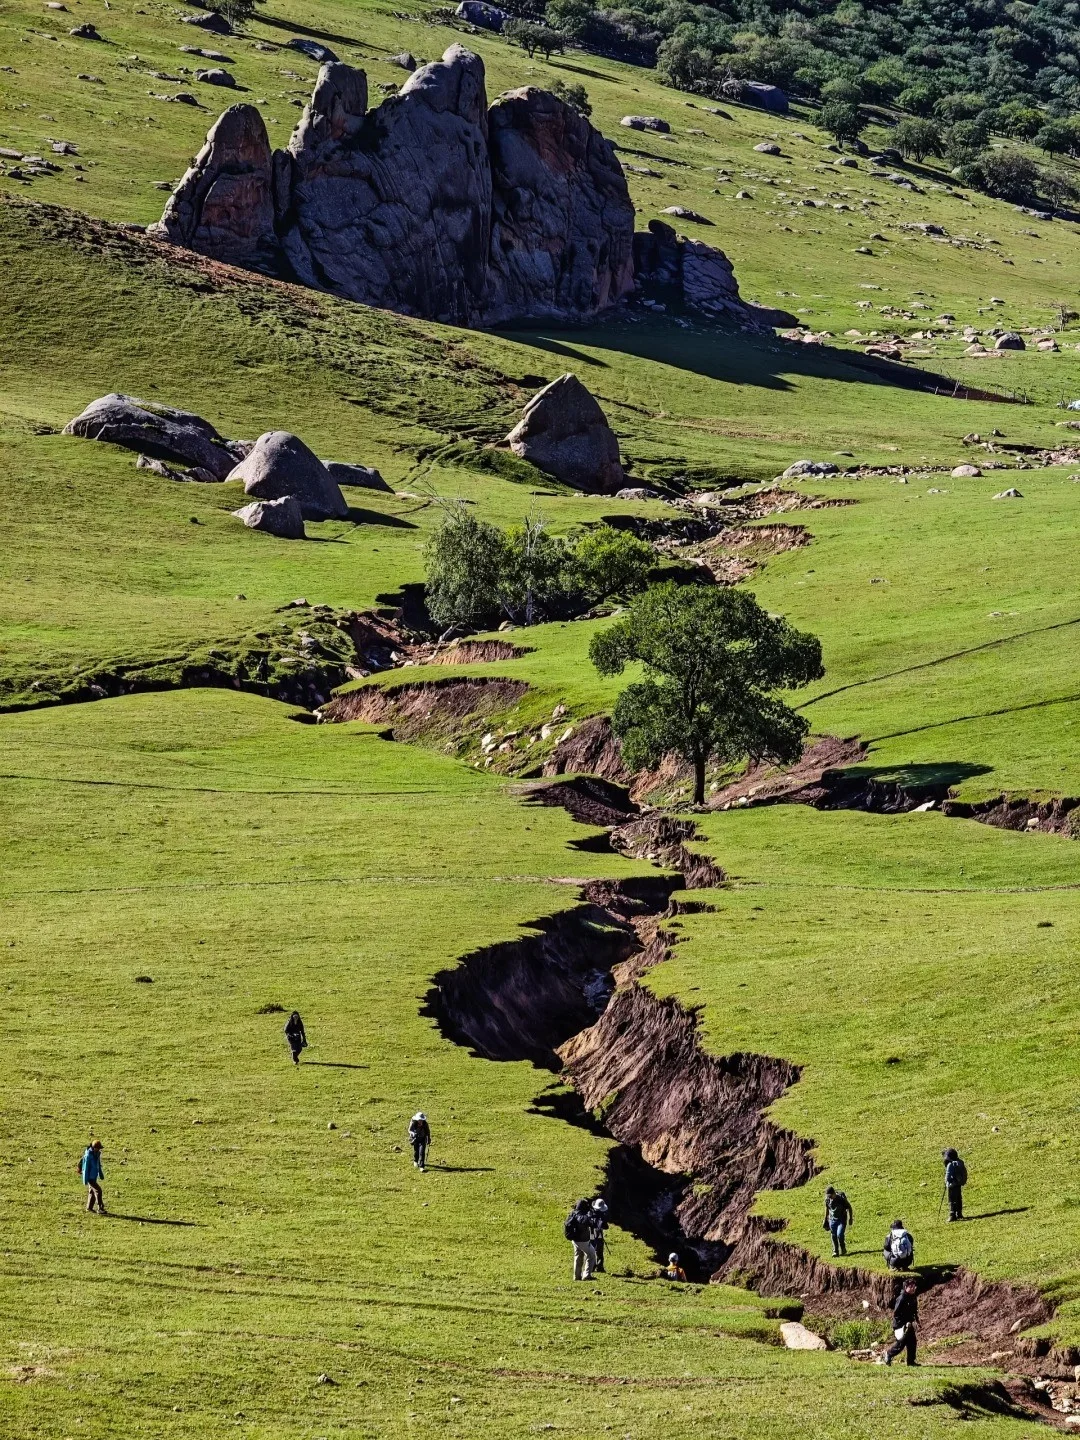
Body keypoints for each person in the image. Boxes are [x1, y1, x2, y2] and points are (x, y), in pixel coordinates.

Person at [884, 1278, 919, 1366]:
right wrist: (904, 1323)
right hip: (900, 1325)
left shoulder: (913, 1297)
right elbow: (896, 1313)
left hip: (909, 1324)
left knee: (912, 1342)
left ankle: (911, 1362)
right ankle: (888, 1354)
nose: (913, 1288)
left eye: (914, 1286)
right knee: (901, 1344)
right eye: (910, 1286)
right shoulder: (902, 1298)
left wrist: (916, 1321)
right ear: (905, 1287)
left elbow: (914, 1311)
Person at [564, 1199, 596, 1280]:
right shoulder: (583, 1217)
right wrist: (590, 1216)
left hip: (574, 1239)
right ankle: (587, 1275)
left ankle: (576, 1276)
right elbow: (590, 1223)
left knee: (578, 1256)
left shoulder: (573, 1213)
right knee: (591, 1255)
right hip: (582, 1240)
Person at [822, 1185, 854, 1257]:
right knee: (833, 1235)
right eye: (828, 1196)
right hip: (832, 1220)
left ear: (834, 1194)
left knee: (839, 1234)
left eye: (830, 1196)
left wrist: (850, 1218)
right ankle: (835, 1251)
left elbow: (849, 1207)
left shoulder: (841, 1200)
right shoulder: (828, 1200)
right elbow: (827, 1209)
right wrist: (825, 1219)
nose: (829, 1197)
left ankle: (843, 1248)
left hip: (841, 1220)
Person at [79, 1139, 105, 1214]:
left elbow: (98, 1165)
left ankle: (89, 1208)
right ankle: (100, 1208)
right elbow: (86, 1168)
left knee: (92, 1192)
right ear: (94, 1147)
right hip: (90, 1178)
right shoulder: (88, 1156)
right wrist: (85, 1179)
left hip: (94, 1176)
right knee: (98, 1191)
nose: (99, 1149)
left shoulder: (97, 1154)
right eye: (98, 1148)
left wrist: (101, 1174)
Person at [942, 1147, 968, 1222]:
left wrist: (947, 1182)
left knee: (952, 1200)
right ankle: (959, 1213)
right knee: (959, 1198)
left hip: (951, 1185)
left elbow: (948, 1176)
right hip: (958, 1184)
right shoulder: (960, 1162)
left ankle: (952, 1215)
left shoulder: (950, 1164)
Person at [590, 1199, 609, 1273]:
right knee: (599, 1250)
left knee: (591, 1250)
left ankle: (592, 1266)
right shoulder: (601, 1216)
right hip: (598, 1235)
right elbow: (605, 1226)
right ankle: (599, 1267)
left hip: (590, 1234)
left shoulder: (590, 1213)